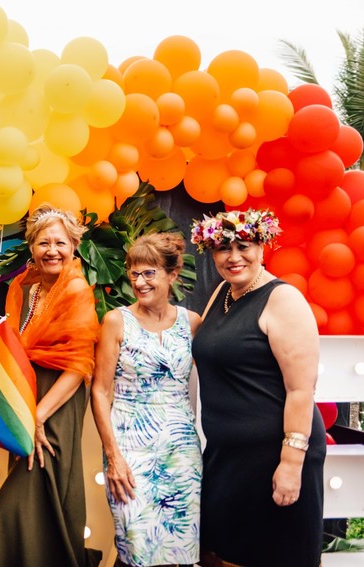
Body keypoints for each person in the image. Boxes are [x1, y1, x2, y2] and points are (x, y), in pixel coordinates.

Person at [190, 209, 326, 567]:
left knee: (276, 556)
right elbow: (204, 346)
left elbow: (301, 390)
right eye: (222, 248)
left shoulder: (284, 299)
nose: (233, 257)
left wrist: (290, 464)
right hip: (226, 458)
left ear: (263, 245)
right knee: (222, 554)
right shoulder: (222, 292)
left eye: (243, 246)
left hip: (274, 457)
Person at [0, 204, 102, 567]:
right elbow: (24, 344)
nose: (52, 250)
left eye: (61, 243)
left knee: (14, 506)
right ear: (31, 247)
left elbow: (79, 366)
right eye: (44, 242)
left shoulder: (76, 288)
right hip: (27, 395)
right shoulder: (25, 287)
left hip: (56, 401)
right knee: (35, 504)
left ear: (74, 246)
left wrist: (38, 415)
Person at [91, 233, 203, 567]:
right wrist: (113, 457)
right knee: (136, 545)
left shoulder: (192, 323)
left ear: (172, 274)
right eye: (134, 273)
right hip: (129, 447)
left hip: (181, 451)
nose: (139, 282)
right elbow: (100, 391)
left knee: (181, 548)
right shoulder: (115, 321)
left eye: (149, 273)